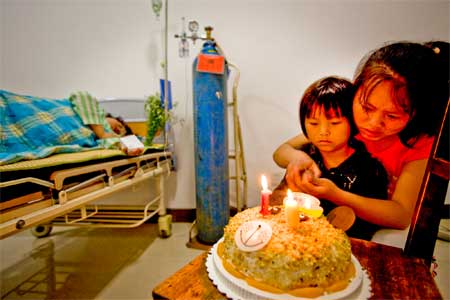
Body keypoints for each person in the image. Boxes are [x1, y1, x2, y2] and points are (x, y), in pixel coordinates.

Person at [273, 41, 448, 231]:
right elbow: (282, 151)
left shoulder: (419, 144)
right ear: (355, 91)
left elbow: (401, 215)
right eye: (367, 107)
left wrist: (336, 194)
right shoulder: (347, 120)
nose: (373, 123)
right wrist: (300, 159)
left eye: (392, 115)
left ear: (416, 114)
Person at [271, 76, 388, 240]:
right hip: (294, 241)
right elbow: (279, 158)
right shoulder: (307, 153)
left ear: (353, 121)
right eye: (313, 123)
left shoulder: (368, 168)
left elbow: (370, 225)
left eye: (334, 123)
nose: (323, 132)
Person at [69, 91, 142, 155]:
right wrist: (102, 133)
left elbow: (106, 142)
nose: (118, 130)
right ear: (109, 117)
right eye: (120, 126)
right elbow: (82, 95)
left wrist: (123, 144)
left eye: (118, 133)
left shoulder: (97, 141)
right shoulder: (97, 115)